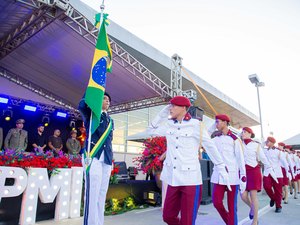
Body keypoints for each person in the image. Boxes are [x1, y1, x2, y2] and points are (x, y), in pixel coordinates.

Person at [147, 96, 230, 225]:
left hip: (191, 181)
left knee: (188, 221)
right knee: (168, 217)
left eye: (174, 106)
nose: (171, 108)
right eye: (170, 106)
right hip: (173, 180)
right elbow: (150, 130)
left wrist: (221, 167)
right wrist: (162, 113)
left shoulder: (196, 125)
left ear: (184, 108)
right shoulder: (169, 125)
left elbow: (210, 147)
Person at [79, 92, 114, 225]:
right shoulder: (92, 114)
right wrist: (92, 91)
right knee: (92, 191)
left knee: (101, 192)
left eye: (108, 100)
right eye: (104, 98)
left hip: (106, 159)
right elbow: (82, 106)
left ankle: (99, 222)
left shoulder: (110, 120)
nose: (107, 101)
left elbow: (109, 140)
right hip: (93, 156)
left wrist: (111, 158)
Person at [208, 114, 246, 225]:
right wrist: (212, 127)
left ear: (225, 122)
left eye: (218, 121)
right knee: (216, 202)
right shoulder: (215, 139)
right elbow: (203, 137)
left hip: (232, 177)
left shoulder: (235, 139)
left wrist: (243, 177)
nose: (216, 124)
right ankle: (230, 222)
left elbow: (240, 160)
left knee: (232, 206)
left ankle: (232, 222)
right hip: (218, 175)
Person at [240, 127, 276, 225]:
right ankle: (252, 207)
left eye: (245, 132)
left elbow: (263, 159)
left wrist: (270, 169)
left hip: (254, 171)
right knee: (243, 195)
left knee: (253, 195)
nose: (242, 133)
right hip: (243, 171)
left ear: (250, 134)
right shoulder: (238, 143)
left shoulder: (256, 145)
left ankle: (255, 220)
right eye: (242, 132)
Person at [263, 136, 289, 213]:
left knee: (278, 190)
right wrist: (263, 143)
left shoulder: (278, 151)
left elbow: (284, 162)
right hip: (268, 172)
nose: (267, 142)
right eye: (266, 141)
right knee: (266, 186)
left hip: (277, 173)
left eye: (268, 141)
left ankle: (278, 206)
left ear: (272, 143)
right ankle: (273, 198)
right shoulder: (264, 150)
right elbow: (259, 149)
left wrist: (288, 172)